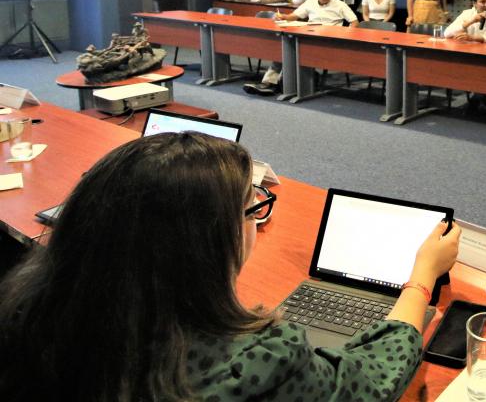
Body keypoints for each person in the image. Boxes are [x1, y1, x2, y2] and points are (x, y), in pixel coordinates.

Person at [0, 132, 461, 400]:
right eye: (251, 208)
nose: (258, 217)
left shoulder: (33, 311)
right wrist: (421, 278)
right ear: (205, 240)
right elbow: (371, 381)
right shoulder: (257, 358)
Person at [244, 0, 358, 95]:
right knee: (286, 50)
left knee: (293, 52)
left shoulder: (340, 4)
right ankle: (269, 83)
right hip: (309, 36)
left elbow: (354, 22)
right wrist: (284, 17)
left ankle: (279, 84)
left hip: (328, 41)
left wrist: (345, 35)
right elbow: (294, 16)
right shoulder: (310, 3)